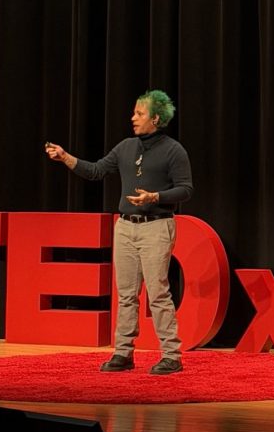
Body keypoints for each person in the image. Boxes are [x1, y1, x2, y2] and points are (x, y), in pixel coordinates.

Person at [45, 89, 192, 375]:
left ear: (156, 118)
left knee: (157, 293)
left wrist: (154, 197)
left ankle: (171, 355)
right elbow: (96, 170)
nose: (133, 118)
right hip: (125, 227)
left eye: (139, 113)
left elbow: (186, 189)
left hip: (157, 227)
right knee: (125, 294)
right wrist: (65, 157)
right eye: (134, 112)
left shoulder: (174, 150)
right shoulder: (126, 147)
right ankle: (124, 353)